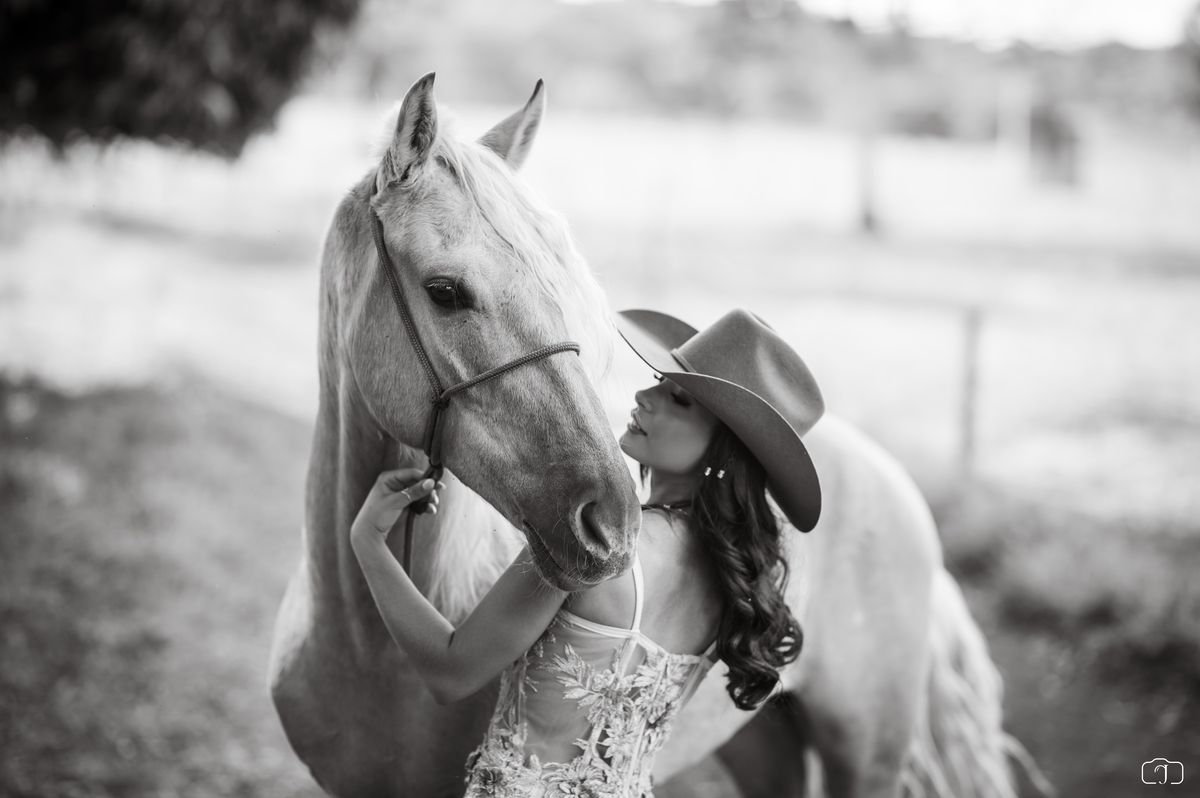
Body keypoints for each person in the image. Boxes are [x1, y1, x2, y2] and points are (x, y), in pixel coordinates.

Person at [351, 308, 825, 798]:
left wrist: (368, 540)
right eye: (659, 382)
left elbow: (450, 672)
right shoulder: (733, 582)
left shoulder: (588, 538)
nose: (644, 397)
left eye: (679, 400)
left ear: (724, 451)